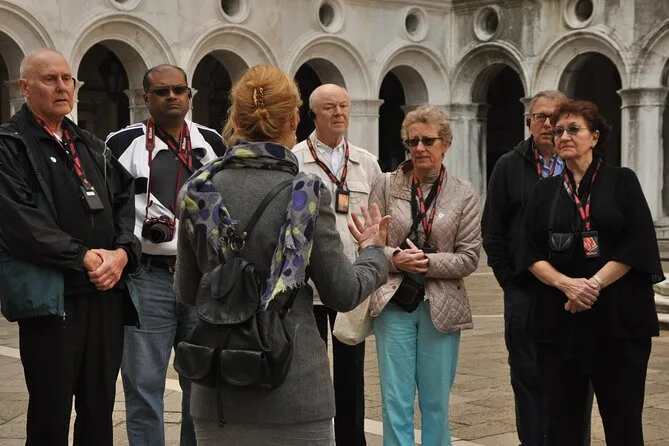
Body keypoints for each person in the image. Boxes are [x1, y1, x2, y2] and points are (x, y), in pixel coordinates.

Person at [173, 64, 390, 445]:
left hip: (219, 386)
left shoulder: (198, 190)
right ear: (294, 120)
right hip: (293, 385)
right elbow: (342, 292)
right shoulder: (305, 192)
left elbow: (189, 292)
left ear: (235, 120)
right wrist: (374, 253)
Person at [0, 49, 140, 445]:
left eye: (67, 79)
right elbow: (19, 222)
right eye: (50, 79)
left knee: (99, 407)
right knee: (51, 412)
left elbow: (125, 202)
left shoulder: (90, 143)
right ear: (25, 87)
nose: (62, 87)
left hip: (104, 295)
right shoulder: (10, 145)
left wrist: (123, 253)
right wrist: (83, 256)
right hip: (52, 301)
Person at [520, 99, 664, 445]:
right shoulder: (544, 191)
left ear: (595, 137)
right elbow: (527, 251)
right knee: (561, 425)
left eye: (574, 129)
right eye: (558, 131)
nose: (563, 136)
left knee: (623, 422)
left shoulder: (622, 181)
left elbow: (637, 243)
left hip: (617, 323)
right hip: (560, 321)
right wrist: (566, 284)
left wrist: (592, 285)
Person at [105, 64, 226, 446]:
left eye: (178, 89)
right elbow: (109, 206)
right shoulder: (121, 143)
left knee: (200, 384)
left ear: (190, 95)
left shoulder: (212, 142)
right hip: (146, 276)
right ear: (146, 98)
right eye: (161, 91)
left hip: (200, 277)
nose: (171, 96)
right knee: (143, 384)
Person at [482, 90, 596, 446]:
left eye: (555, 117)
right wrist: (511, 283)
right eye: (540, 117)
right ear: (529, 122)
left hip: (576, 293)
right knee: (528, 378)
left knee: (577, 381)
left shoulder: (585, 164)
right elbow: (493, 231)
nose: (548, 124)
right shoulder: (509, 166)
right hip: (527, 293)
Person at [367, 105, 481, 446]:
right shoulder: (386, 185)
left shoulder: (463, 192)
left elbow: (469, 258)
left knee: (436, 402)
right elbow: (368, 246)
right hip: (394, 302)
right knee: (395, 400)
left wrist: (426, 263)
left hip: (441, 307)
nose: (419, 148)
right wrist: (396, 258)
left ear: (445, 143)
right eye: (412, 141)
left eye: (428, 140)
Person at [292, 83, 381, 446]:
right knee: (309, 375)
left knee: (351, 376)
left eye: (344, 106)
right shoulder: (295, 159)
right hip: (306, 287)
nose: (339, 113)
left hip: (351, 284)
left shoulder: (367, 162)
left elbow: (377, 218)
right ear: (314, 114)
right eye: (330, 107)